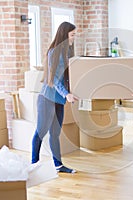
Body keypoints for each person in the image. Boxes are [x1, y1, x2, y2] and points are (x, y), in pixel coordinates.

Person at [31, 22, 79, 173]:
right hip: (47, 99)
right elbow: (54, 79)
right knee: (41, 131)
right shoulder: (54, 52)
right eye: (72, 35)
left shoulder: (67, 53)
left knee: (55, 133)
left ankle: (58, 165)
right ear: (64, 35)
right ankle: (34, 164)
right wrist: (67, 94)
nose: (74, 38)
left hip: (58, 100)